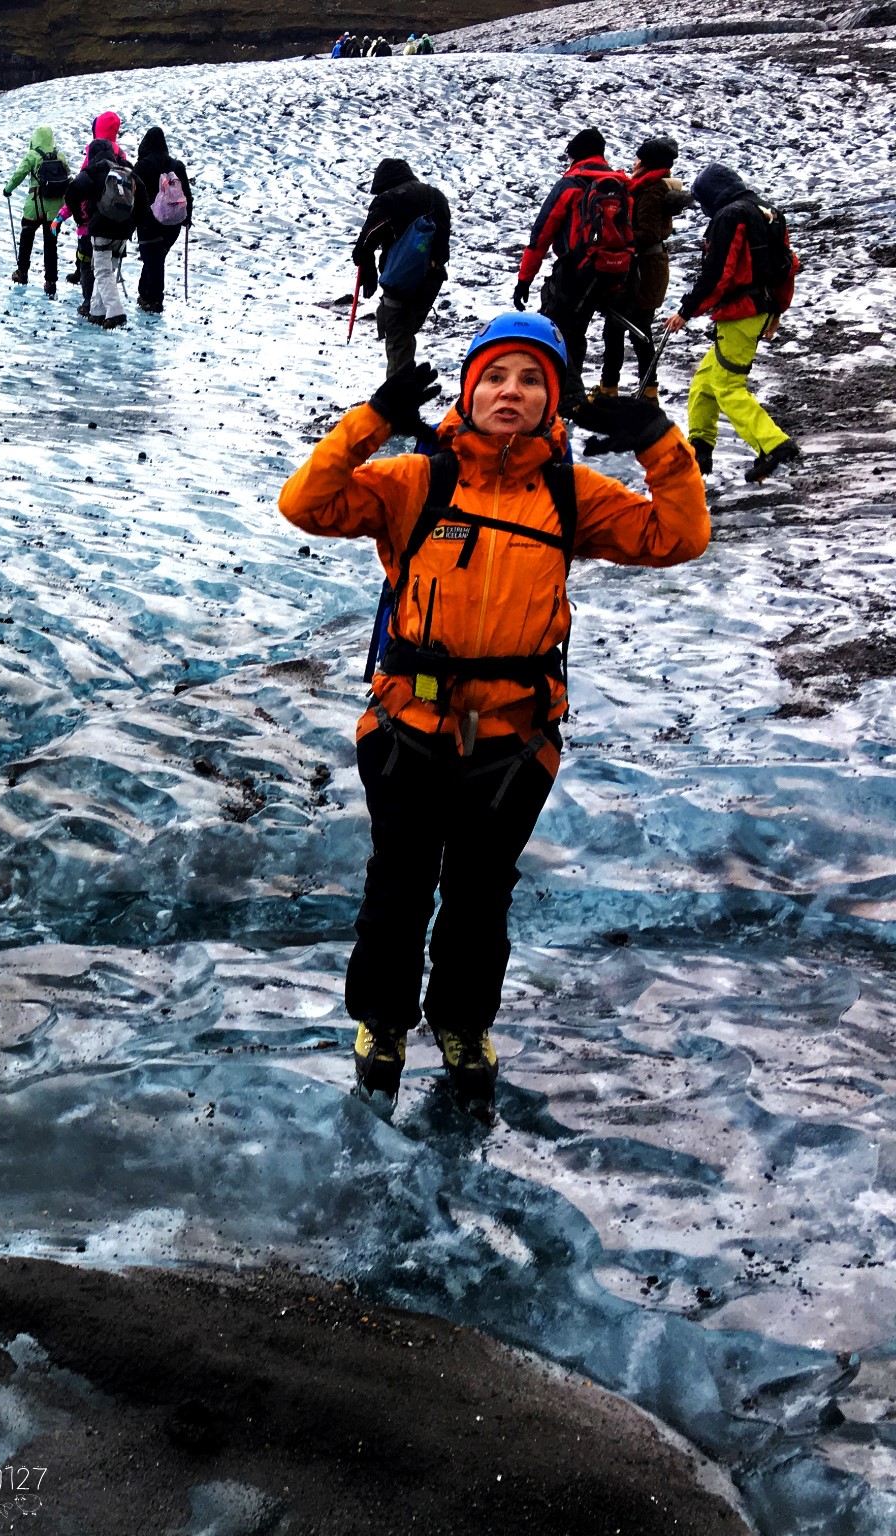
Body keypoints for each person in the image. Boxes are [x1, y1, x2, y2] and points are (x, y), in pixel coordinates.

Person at [277, 314, 708, 1123]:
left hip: (515, 743)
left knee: (480, 896)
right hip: (408, 731)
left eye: (533, 380)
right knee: (398, 890)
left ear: (554, 401)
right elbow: (306, 504)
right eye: (497, 377)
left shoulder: (570, 494)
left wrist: (659, 440)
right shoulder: (417, 483)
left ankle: (464, 1026)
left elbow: (678, 536)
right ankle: (383, 1023)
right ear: (470, 392)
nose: (513, 392)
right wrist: (371, 419)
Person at [667, 164, 803, 482]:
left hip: (741, 312)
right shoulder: (769, 210)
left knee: (728, 387)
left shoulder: (729, 216)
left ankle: (775, 445)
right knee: (704, 381)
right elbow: (787, 265)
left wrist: (686, 311)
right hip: (761, 308)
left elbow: (718, 274)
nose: (703, 209)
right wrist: (778, 309)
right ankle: (699, 450)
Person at [514, 127, 633, 411]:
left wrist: (524, 279)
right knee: (575, 330)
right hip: (613, 271)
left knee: (551, 329)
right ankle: (567, 394)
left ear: (574, 155)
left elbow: (542, 233)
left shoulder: (570, 185)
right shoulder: (621, 186)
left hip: (575, 270)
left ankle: (568, 399)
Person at [602, 135, 689, 398]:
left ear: (647, 162)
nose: (634, 161)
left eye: (639, 157)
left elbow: (649, 233)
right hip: (646, 269)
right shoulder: (653, 186)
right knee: (630, 329)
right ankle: (643, 389)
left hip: (643, 272)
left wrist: (617, 239)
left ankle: (615, 388)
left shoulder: (651, 191)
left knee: (625, 329)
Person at [353, 157, 451, 378]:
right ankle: (403, 390)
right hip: (432, 278)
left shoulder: (389, 199)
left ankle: (396, 400)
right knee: (404, 331)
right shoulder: (436, 196)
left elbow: (368, 238)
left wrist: (366, 264)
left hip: (400, 280)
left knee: (398, 339)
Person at [59, 111, 134, 327]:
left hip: (97, 225)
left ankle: (112, 310)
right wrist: (134, 221)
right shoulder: (124, 162)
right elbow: (138, 192)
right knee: (107, 268)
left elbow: (75, 192)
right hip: (122, 225)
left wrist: (77, 217)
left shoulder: (93, 163)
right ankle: (97, 310)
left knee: (97, 268)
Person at [131, 126, 192, 313]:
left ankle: (155, 300)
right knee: (156, 259)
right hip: (173, 222)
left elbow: (134, 195)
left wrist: (131, 220)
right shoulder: (176, 165)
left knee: (153, 259)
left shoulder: (142, 166)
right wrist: (187, 219)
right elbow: (187, 195)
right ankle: (145, 294)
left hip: (149, 222)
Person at [4, 125, 69, 296]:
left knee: (26, 238)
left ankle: (22, 272)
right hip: (55, 209)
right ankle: (51, 281)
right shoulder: (60, 155)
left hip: (35, 205)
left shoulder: (32, 155)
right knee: (51, 244)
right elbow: (67, 176)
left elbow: (19, 174)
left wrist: (8, 189)